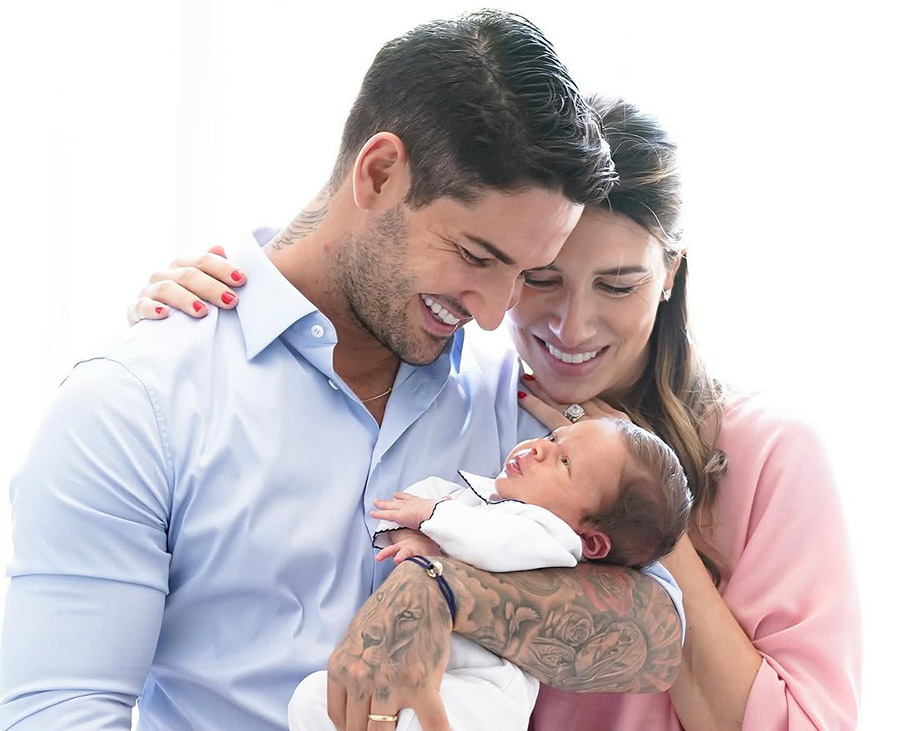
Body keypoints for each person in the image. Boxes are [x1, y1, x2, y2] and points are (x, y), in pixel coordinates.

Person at [0, 13, 686, 731]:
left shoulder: (519, 410)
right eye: (477, 257)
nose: (492, 315)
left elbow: (656, 634)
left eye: (526, 274)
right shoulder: (135, 404)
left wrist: (443, 589)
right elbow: (58, 710)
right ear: (379, 173)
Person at [141, 95, 862, 730]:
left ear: (670, 275)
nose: (573, 325)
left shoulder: (769, 452)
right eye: (541, 279)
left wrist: (638, 494)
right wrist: (229, 308)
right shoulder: (482, 404)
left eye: (618, 285)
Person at [289, 417, 691, 731]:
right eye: (553, 437)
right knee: (312, 698)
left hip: (481, 694)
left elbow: (494, 542)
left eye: (565, 463)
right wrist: (413, 532)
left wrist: (433, 519)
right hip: (418, 680)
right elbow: (421, 496)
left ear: (592, 541)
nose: (539, 448)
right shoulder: (486, 500)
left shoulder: (551, 535)